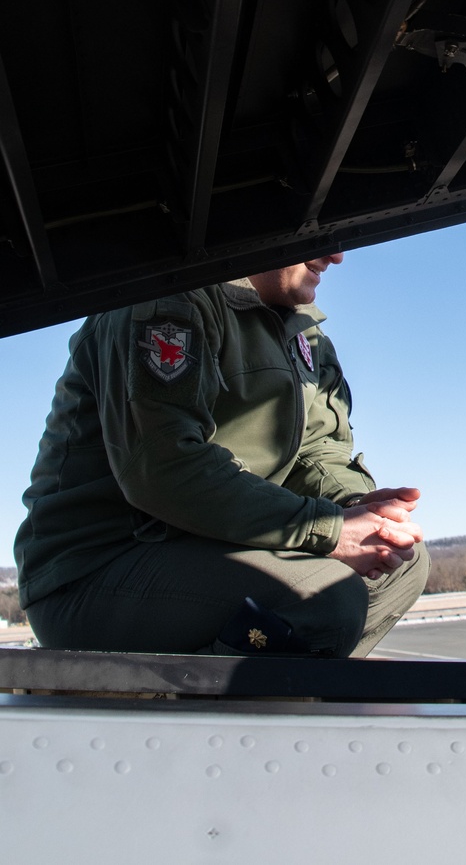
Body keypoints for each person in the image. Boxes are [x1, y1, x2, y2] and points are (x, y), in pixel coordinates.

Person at [14, 254, 428, 656]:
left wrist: (358, 509)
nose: (336, 256)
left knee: (403, 564)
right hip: (97, 568)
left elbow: (315, 450)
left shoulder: (306, 337)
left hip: (209, 549)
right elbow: (165, 467)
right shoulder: (169, 298)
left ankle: (281, 685)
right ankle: (182, 705)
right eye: (320, 233)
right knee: (325, 600)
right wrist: (327, 528)